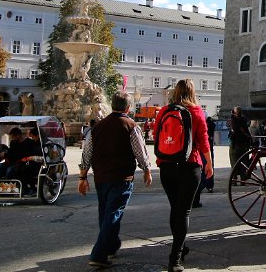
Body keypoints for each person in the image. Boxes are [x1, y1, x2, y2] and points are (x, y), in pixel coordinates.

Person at [79, 92, 153, 270]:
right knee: (113, 213)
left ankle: (111, 245)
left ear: (112, 105)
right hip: (121, 177)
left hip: (101, 177)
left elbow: (87, 152)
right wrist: (147, 169)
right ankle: (99, 254)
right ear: (128, 108)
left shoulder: (97, 127)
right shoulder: (131, 125)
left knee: (105, 212)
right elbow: (140, 151)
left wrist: (83, 176)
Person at [154, 79, 213, 272]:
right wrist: (209, 163)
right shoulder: (196, 111)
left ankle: (181, 246)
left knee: (175, 209)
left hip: (166, 166)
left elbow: (157, 136)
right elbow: (203, 140)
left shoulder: (164, 111)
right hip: (189, 166)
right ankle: (175, 259)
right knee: (183, 212)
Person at [229, 106, 252, 180]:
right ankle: (243, 178)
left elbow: (231, 133)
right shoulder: (244, 121)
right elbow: (248, 134)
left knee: (234, 163)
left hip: (235, 145)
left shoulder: (233, 121)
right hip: (244, 145)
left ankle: (234, 179)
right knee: (243, 163)